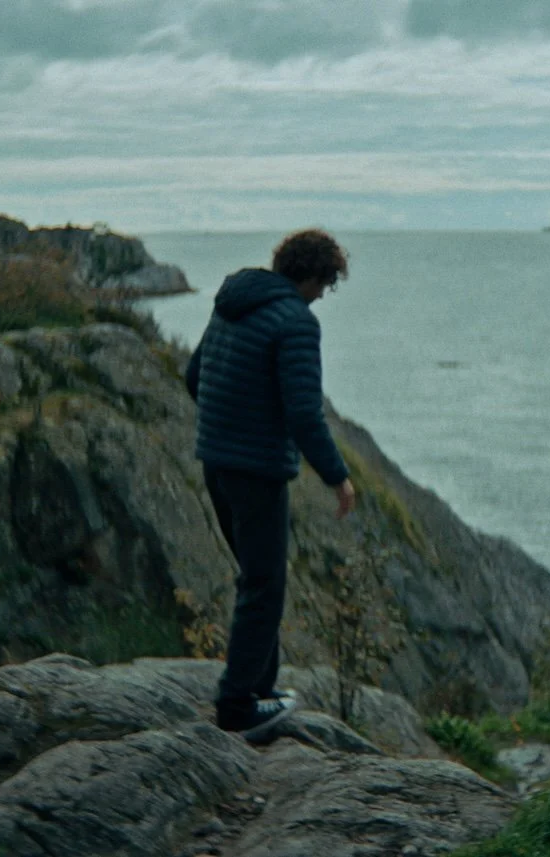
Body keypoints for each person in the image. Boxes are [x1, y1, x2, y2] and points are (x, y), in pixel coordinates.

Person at [185, 228, 358, 740]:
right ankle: (237, 707)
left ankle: (261, 689)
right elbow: (304, 414)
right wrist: (338, 477)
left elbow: (196, 378)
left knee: (255, 578)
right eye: (325, 283)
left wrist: (232, 423)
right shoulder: (296, 323)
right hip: (257, 471)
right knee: (264, 586)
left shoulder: (232, 304)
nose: (324, 294)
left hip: (216, 462)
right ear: (309, 275)